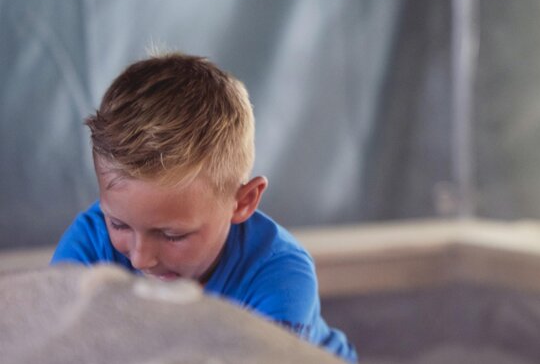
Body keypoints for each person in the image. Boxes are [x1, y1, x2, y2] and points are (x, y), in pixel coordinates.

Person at [51, 52, 357, 363]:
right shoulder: (91, 239)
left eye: (172, 235)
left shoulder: (281, 277)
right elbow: (51, 339)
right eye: (119, 224)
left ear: (243, 201)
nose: (141, 258)